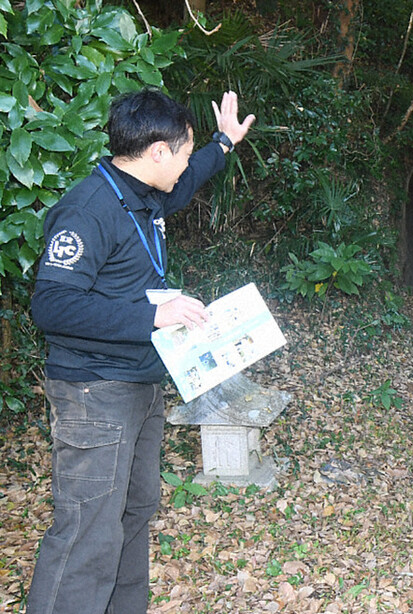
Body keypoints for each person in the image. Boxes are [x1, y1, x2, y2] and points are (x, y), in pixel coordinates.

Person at [28, 88, 255, 614]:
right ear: (157, 152)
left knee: (134, 511)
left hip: (140, 385)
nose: (183, 162)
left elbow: (187, 180)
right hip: (93, 391)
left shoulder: (145, 194)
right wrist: (154, 315)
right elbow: (52, 305)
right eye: (182, 149)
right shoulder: (89, 210)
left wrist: (221, 144)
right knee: (89, 528)